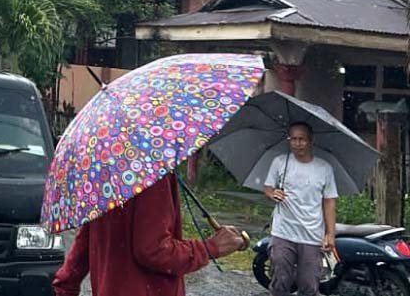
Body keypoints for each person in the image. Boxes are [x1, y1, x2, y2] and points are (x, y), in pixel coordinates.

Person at [52, 174, 247, 296]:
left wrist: (66, 285)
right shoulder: (152, 178)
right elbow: (154, 250)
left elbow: (86, 238)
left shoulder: (105, 174)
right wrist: (211, 247)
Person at [263, 122, 338, 296]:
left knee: (309, 284)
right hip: (283, 232)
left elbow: (329, 202)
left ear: (311, 141)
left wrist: (330, 234)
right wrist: (272, 193)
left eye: (302, 139)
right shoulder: (280, 162)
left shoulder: (324, 168)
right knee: (280, 279)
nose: (298, 143)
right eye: (294, 139)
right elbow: (267, 188)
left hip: (311, 235)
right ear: (289, 140)